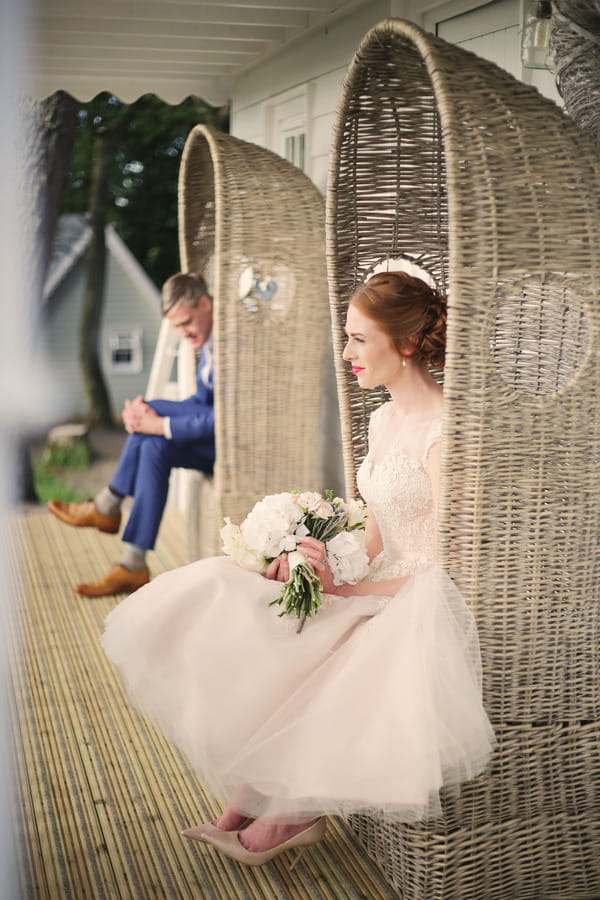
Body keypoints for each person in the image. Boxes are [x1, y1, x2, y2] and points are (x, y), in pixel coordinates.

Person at [101, 268, 495, 867]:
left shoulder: (445, 435)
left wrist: (352, 587)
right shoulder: (384, 419)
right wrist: (314, 558)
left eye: (359, 340)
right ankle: (257, 792)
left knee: (339, 647)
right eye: (347, 338)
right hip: (374, 573)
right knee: (227, 588)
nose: (346, 352)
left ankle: (290, 807)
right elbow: (379, 530)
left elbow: (448, 566)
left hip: (417, 594)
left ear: (407, 344)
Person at [48, 272, 215, 596]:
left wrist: (161, 422)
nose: (183, 333)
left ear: (205, 304)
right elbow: (200, 403)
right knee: (152, 442)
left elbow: (224, 418)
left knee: (151, 425)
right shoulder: (207, 343)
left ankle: (107, 504)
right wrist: (149, 418)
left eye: (186, 323)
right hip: (208, 439)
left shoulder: (229, 344)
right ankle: (133, 564)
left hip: (231, 448)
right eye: (176, 327)